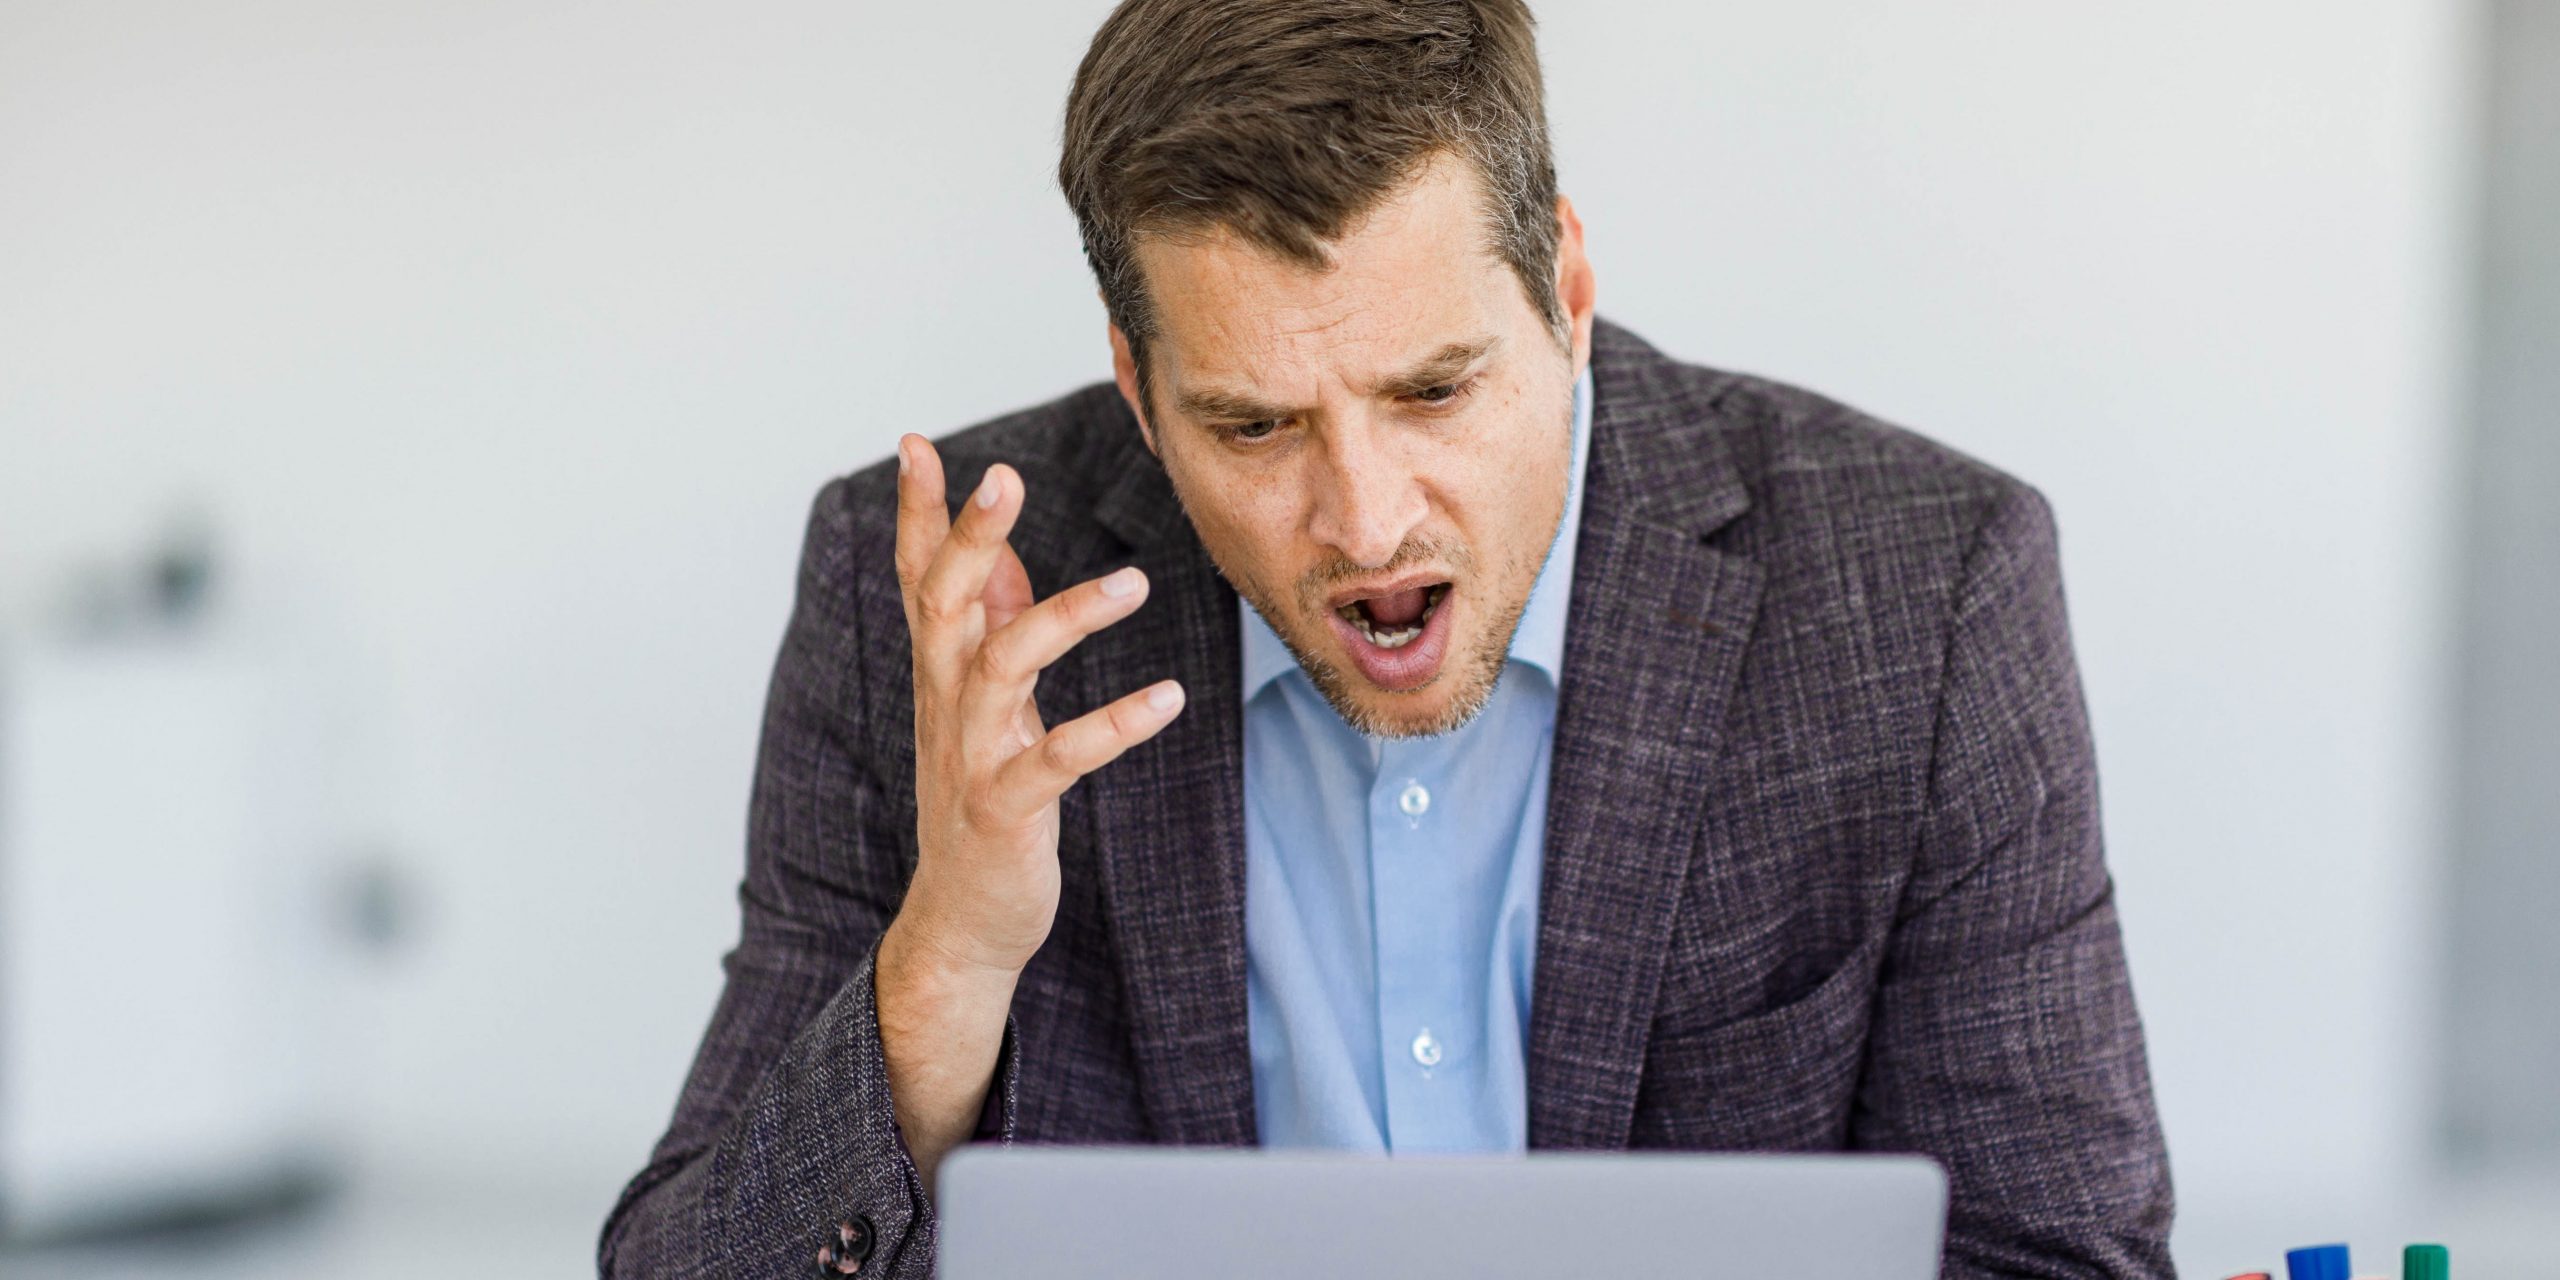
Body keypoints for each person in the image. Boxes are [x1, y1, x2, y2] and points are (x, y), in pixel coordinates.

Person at [598, 1, 2174, 1276]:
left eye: (1433, 391)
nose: (1361, 521)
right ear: (1140, 394)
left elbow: (2059, 1255)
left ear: (1563, 287)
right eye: (1253, 423)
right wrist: (947, 963)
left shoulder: (1925, 591)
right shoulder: (943, 604)